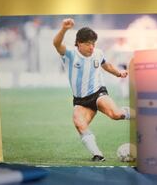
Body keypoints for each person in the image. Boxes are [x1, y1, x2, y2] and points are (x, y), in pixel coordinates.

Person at [53, 18, 130, 162]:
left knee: (116, 114)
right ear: (79, 43)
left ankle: (140, 114)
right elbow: (56, 44)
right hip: (81, 101)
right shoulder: (70, 54)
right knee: (79, 123)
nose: (91, 47)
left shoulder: (98, 53)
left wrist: (119, 73)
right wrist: (64, 29)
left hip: (98, 93)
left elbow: (106, 65)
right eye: (88, 43)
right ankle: (98, 155)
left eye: (93, 44)